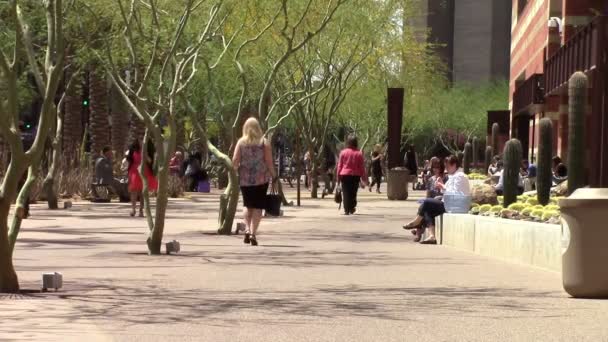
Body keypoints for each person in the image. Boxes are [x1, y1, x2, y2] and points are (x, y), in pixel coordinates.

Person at [403, 155, 470, 245]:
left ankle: (417, 222)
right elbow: (448, 191)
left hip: (455, 206)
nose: (446, 169)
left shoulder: (459, 176)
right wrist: (442, 186)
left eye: (448, 166)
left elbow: (455, 193)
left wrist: (442, 186)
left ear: (454, 165)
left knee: (427, 203)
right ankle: (432, 236)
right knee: (427, 210)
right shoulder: (453, 176)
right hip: (450, 203)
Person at [232, 117, 276, 246]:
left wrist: (234, 173)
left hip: (245, 180)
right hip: (261, 179)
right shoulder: (264, 143)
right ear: (258, 128)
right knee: (258, 207)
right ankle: (253, 233)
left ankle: (246, 229)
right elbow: (269, 162)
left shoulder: (241, 143)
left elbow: (235, 160)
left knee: (248, 205)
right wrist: (274, 175)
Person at [337, 135, 368, 215]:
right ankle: (351, 207)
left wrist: (338, 178)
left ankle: (347, 209)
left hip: (345, 175)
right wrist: (364, 179)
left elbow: (339, 166)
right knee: (353, 192)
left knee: (345, 192)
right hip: (355, 176)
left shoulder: (343, 153)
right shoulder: (359, 154)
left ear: (348, 142)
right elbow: (362, 167)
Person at [127, 139, 158, 217]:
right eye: (140, 140)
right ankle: (133, 209)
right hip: (134, 170)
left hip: (145, 171)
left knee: (142, 192)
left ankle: (141, 210)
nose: (142, 142)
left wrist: (146, 155)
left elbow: (150, 161)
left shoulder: (149, 150)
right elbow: (129, 159)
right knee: (133, 191)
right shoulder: (133, 149)